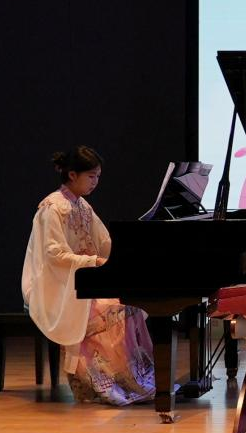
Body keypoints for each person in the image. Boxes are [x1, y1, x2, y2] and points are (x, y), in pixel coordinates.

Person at [21, 146, 155, 405]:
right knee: (109, 309)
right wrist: (93, 261)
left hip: (81, 279)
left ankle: (129, 378)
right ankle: (98, 382)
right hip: (56, 283)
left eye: (98, 177)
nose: (95, 182)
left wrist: (126, 255)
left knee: (129, 303)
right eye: (91, 176)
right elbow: (54, 255)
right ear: (72, 175)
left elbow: (104, 242)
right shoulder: (52, 207)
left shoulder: (82, 206)